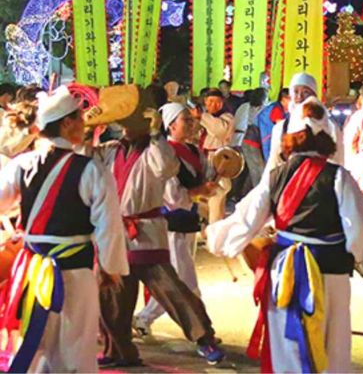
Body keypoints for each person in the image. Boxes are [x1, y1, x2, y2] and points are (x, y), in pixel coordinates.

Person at [206, 100, 363, 372]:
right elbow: (358, 229)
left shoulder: (276, 176)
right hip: (330, 272)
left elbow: (246, 220)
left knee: (288, 347)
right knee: (332, 344)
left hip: (285, 275)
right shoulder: (338, 177)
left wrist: (218, 238)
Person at [0, 85, 128, 372]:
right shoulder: (91, 169)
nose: (85, 124)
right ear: (67, 123)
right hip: (75, 273)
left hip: (32, 272)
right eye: (80, 119)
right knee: (76, 346)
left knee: (35, 344)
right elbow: (108, 224)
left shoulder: (22, 164)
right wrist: (110, 267)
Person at [93, 104, 224, 367]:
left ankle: (203, 338)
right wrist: (92, 128)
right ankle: (119, 351)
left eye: (134, 122)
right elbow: (83, 158)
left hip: (147, 231)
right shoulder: (111, 150)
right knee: (113, 297)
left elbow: (166, 167)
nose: (128, 127)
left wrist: (155, 134)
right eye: (125, 122)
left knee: (172, 289)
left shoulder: (155, 149)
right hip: (117, 232)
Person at [133, 102, 217, 338]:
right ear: (170, 126)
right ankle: (203, 331)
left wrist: (207, 187)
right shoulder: (165, 154)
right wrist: (197, 192)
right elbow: (170, 195)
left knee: (177, 278)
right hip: (172, 223)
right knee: (186, 281)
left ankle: (144, 317)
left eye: (191, 120)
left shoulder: (194, 151)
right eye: (185, 121)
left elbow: (200, 179)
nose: (191, 124)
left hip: (188, 220)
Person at [265, 73, 344, 174]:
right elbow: (273, 164)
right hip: (291, 184)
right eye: (295, 91)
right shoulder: (280, 128)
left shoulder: (330, 126)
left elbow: (338, 161)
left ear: (314, 96)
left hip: (321, 183)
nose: (299, 96)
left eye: (306, 92)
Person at [197, 88, 235, 155]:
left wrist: (201, 116)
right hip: (201, 153)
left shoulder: (227, 116)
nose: (213, 105)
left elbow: (220, 131)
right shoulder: (204, 115)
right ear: (205, 101)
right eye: (211, 101)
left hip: (218, 155)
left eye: (217, 102)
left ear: (222, 102)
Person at [256, 88, 290, 160]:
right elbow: (281, 126)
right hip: (259, 140)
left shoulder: (285, 110)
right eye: (290, 99)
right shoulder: (276, 109)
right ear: (284, 100)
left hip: (266, 141)